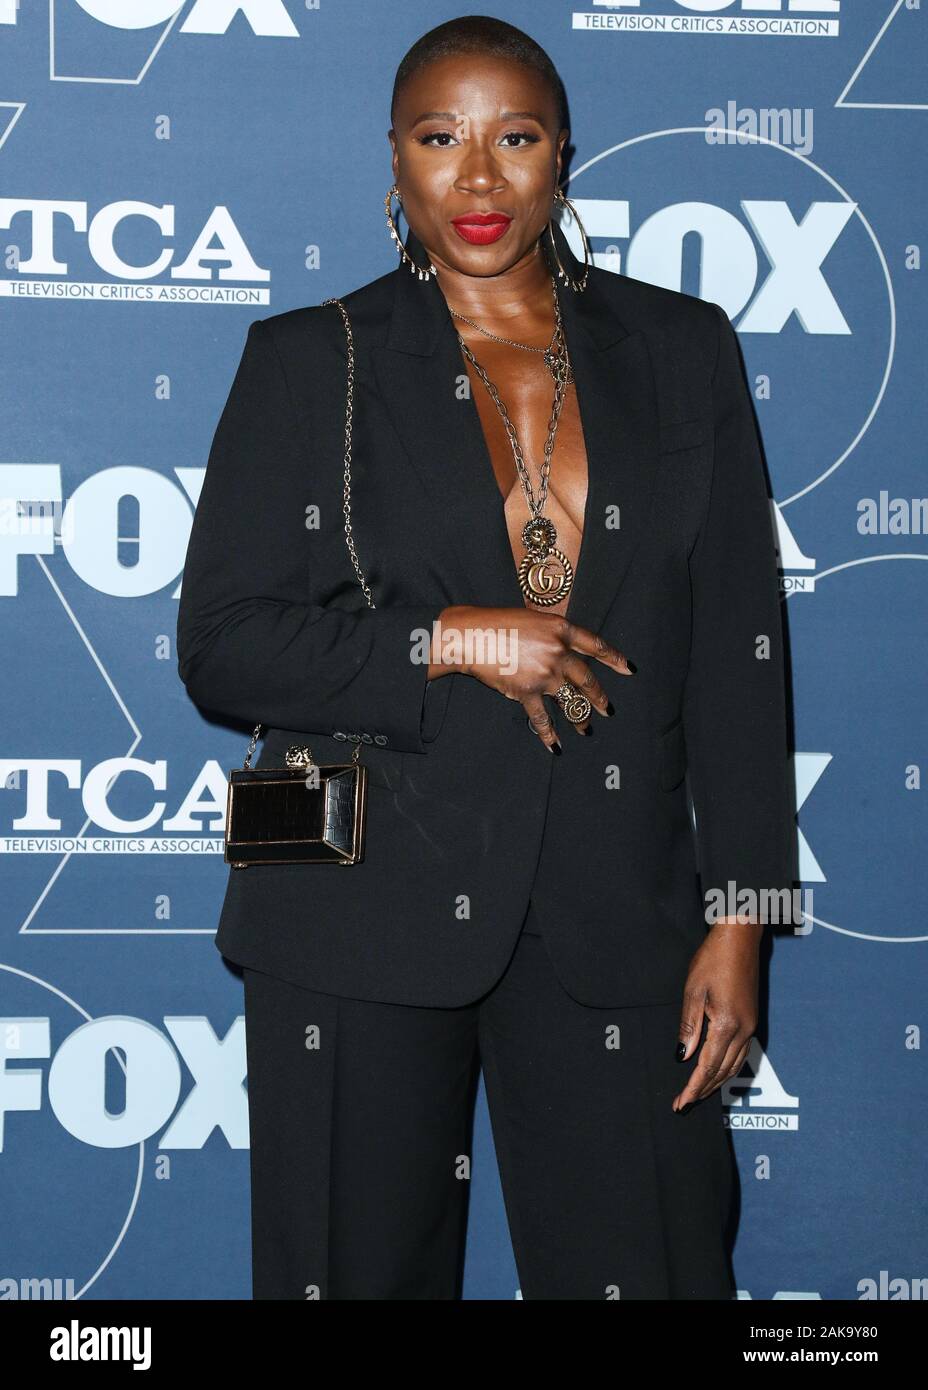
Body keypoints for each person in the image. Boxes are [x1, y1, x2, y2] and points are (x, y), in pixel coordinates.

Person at [176, 16, 793, 1300]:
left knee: (654, 1268)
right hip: (357, 911)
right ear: (392, 158)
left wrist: (741, 920)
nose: (476, 177)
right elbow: (222, 646)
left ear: (563, 153)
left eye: (512, 138)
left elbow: (739, 662)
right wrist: (449, 637)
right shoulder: (311, 360)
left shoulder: (682, 352)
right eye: (436, 137)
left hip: (616, 914)